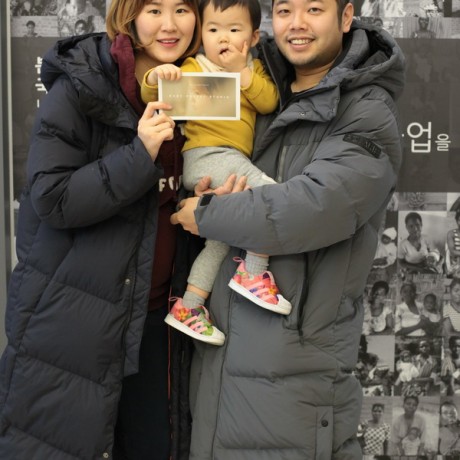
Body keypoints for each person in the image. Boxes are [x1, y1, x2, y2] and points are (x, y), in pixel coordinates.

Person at [170, 0, 405, 454]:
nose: (296, 24)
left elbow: (314, 208)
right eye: (284, 11)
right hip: (217, 361)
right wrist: (210, 190)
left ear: (346, 17)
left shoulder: (367, 110)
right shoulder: (257, 86)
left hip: (294, 374)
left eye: (313, 8)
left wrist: (207, 213)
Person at [0, 0, 203, 458]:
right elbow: (51, 198)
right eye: (154, 9)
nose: (170, 25)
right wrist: (140, 152)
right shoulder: (81, 84)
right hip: (75, 318)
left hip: (160, 320)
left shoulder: (201, 86)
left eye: (182, 9)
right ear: (128, 14)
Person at [141, 0, 290, 345]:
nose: (223, 38)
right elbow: (153, 91)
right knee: (269, 195)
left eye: (234, 30)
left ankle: (189, 307)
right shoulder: (195, 65)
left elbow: (268, 101)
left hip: (227, 165)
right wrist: (156, 75)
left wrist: (242, 71)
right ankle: (253, 272)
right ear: (201, 36)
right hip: (205, 156)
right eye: (212, 30)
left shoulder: (254, 69)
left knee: (219, 243)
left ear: (254, 37)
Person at [446, 210, 460, 278]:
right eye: (459, 220)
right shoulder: (451, 233)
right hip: (456, 263)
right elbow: (452, 251)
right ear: (457, 221)